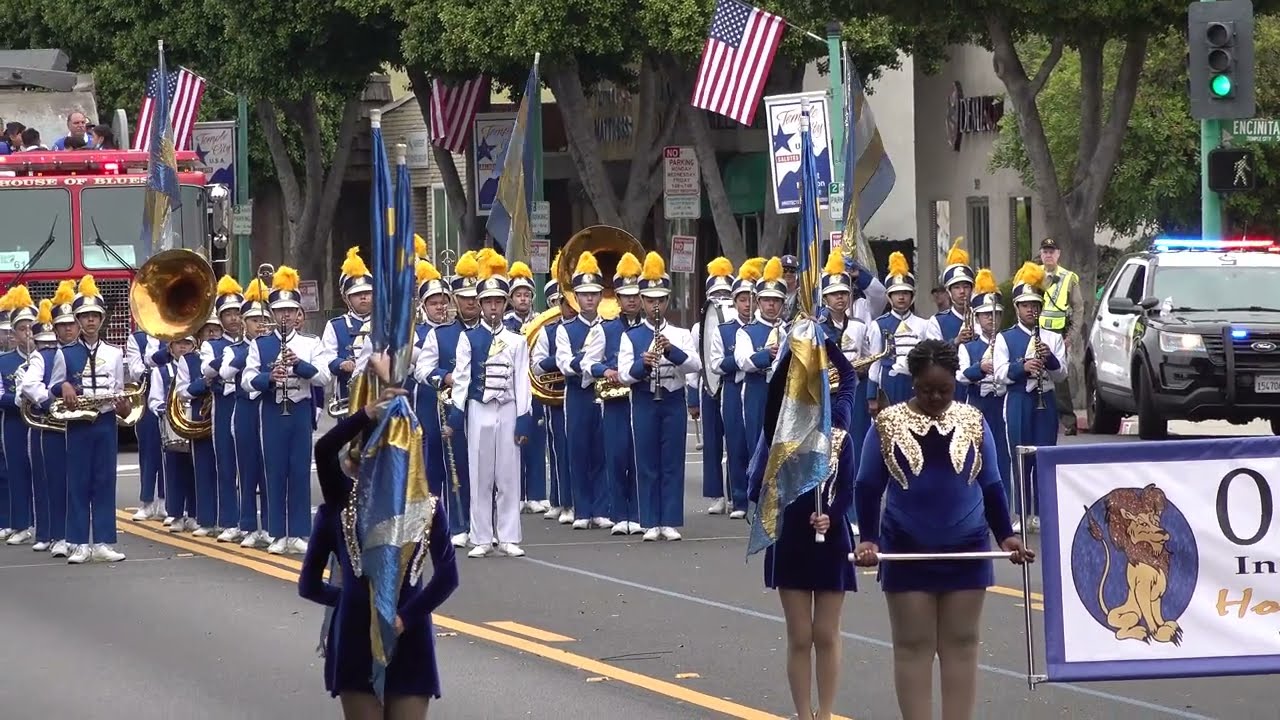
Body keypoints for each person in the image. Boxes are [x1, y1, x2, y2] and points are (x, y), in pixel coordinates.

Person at [853, 339, 1034, 720]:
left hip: (967, 546)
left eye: (944, 390)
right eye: (925, 390)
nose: (935, 398)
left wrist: (1006, 536)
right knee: (913, 645)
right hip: (905, 546)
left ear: (956, 382)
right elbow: (867, 486)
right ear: (912, 383)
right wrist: (867, 538)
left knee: (963, 643)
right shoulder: (886, 423)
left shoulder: (973, 421)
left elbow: (992, 485)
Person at [299, 376, 458, 720]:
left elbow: (448, 577)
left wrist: (394, 617)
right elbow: (324, 450)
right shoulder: (343, 502)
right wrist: (368, 412)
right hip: (365, 640)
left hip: (402, 638)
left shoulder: (427, 509)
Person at [747, 322, 860, 720]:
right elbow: (775, 388)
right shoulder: (779, 432)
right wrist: (798, 343)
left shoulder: (841, 425)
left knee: (827, 634)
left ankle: (825, 712)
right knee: (800, 634)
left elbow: (847, 488)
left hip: (830, 538)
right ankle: (802, 712)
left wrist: (825, 339)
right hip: (790, 536)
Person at [242, 266, 334, 555]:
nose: (285, 316)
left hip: (299, 410)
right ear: (272, 313)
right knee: (275, 471)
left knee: (298, 471)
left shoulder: (310, 343)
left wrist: (298, 365)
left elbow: (323, 377)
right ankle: (277, 533)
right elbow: (247, 380)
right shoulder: (261, 343)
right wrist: (269, 378)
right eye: (279, 311)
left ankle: (299, 532)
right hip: (271, 411)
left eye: (290, 311)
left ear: (298, 314)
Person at [447, 255, 532, 557]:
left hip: (508, 409)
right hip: (479, 409)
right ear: (480, 305)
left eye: (498, 301)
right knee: (480, 475)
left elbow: (523, 381)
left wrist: (524, 418)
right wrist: (455, 416)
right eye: (488, 302)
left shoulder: (517, 340)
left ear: (505, 303)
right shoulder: (468, 338)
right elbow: (460, 379)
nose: (493, 307)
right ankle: (481, 536)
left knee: (508, 474)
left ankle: (509, 536)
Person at [47, 275, 130, 564]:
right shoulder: (65, 352)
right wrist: (63, 386)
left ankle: (105, 541)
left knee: (105, 480)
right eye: (85, 317)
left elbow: (121, 390)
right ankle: (79, 542)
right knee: (78, 481)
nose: (91, 321)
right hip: (78, 422)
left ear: (102, 319)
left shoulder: (115, 353)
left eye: (95, 316)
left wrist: (123, 406)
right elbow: (53, 385)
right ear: (78, 321)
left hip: (105, 422)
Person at [617, 252, 701, 541]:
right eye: (649, 300)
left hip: (673, 400)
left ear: (666, 302)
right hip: (643, 401)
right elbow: (624, 374)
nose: (655, 305)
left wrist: (670, 352)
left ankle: (670, 520)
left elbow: (696, 366)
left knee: (672, 461)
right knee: (647, 460)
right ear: (641, 301)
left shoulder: (679, 333)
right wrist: (644, 364)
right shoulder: (630, 336)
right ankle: (650, 520)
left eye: (660, 300)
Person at [994, 262, 1067, 534]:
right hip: (1018, 401)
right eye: (1026, 305)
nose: (1031, 310)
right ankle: (1022, 513)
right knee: (1019, 457)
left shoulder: (1052, 337)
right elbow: (1000, 374)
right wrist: (1021, 367)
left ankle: (1043, 511)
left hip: (1045, 401)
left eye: (1035, 305)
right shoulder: (1005, 338)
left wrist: (1049, 359)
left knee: (1044, 456)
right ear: (1017, 308)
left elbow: (1061, 376)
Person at [414, 250, 480, 546]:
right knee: (442, 464)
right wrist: (445, 377)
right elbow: (422, 370)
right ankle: (450, 524)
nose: (469, 302)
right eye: (462, 297)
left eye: (473, 297)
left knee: (478, 464)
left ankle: (481, 523)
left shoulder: (490, 332)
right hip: (438, 405)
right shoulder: (438, 335)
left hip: (479, 406)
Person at [584, 252, 644, 535]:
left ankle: (640, 512)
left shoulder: (651, 328)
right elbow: (587, 362)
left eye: (635, 295)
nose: (631, 300)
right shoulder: (605, 328)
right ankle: (619, 513)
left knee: (641, 456)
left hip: (644, 398)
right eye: (625, 295)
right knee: (617, 455)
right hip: (615, 400)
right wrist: (605, 370)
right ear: (617, 299)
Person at [20, 281, 78, 557]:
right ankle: (56, 534)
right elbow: (29, 386)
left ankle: (77, 536)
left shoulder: (88, 353)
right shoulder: (44, 356)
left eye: (72, 324)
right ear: (55, 328)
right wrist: (50, 402)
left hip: (81, 426)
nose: (68, 329)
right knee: (53, 481)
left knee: (78, 483)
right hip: (53, 428)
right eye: (63, 325)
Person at [708, 258, 762, 519]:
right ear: (735, 301)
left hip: (756, 388)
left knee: (759, 443)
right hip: (731, 389)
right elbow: (716, 364)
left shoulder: (763, 328)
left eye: (752, 299)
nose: (747, 304)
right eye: (742, 299)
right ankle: (739, 499)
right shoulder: (724, 330)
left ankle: (758, 498)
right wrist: (743, 364)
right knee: (736, 443)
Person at [224, 279, 273, 548]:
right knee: (246, 468)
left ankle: (269, 524)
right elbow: (224, 373)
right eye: (254, 320)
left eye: (264, 319)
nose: (260, 325)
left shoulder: (273, 345)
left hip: (267, 408)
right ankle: (247, 525)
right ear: (243, 322)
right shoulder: (235, 349)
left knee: (268, 469)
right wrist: (249, 353)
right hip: (244, 409)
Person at [957, 269, 1012, 502]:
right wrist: (980, 369)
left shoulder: (1007, 340)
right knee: (976, 456)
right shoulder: (969, 346)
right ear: (977, 318)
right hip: (978, 403)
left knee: (1003, 455)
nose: (991, 318)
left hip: (1003, 404)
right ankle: (976, 503)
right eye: (986, 315)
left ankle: (1006, 503)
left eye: (996, 314)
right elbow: (960, 375)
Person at [734, 257, 789, 480]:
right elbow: (743, 361)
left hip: (784, 393)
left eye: (776, 301)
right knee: (758, 445)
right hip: (757, 391)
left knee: (783, 447)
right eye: (766, 300)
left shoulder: (790, 330)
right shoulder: (746, 331)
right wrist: (767, 355)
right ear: (758, 302)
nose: (771, 305)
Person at [502, 261, 548, 514]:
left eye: (527, 294)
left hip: (536, 386)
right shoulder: (506, 322)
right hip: (512, 387)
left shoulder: (541, 320)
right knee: (514, 441)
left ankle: (537, 494)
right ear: (511, 298)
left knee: (537, 440)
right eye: (518, 295)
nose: (523, 299)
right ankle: (517, 495)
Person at [201, 277, 245, 542]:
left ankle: (250, 521)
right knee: (226, 462)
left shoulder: (252, 341)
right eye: (227, 314)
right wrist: (230, 355)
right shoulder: (212, 344)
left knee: (249, 464)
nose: (233, 319)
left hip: (246, 402)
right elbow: (207, 370)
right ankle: (229, 520)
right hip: (224, 404)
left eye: (237, 313)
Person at [690, 257, 734, 515]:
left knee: (735, 441)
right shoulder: (700, 327)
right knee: (712, 442)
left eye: (725, 294)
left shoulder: (735, 324)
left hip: (729, 385)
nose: (719, 299)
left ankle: (734, 492)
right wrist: (692, 399)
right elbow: (698, 363)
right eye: (715, 294)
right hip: (707, 387)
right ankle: (716, 494)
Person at [530, 275, 574, 523]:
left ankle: (579, 501)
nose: (567, 306)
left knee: (581, 450)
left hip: (582, 392)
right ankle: (560, 499)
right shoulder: (548, 331)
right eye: (561, 301)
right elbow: (536, 367)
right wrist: (560, 360)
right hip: (556, 395)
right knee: (559, 449)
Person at [867, 252, 928, 411]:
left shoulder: (923, 324)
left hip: (916, 382)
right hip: (889, 382)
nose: (901, 297)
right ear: (889, 296)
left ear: (912, 296)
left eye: (905, 293)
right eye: (896, 293)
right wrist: (871, 396)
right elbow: (874, 362)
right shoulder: (878, 325)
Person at [0, 286, 37, 545]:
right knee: (15, 471)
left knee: (43, 473)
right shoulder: (3, 361)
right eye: (22, 329)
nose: (27, 333)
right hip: (13, 422)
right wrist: (15, 400)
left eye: (31, 328)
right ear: (13, 333)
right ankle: (19, 522)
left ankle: (42, 524)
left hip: (41, 423)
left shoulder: (45, 357)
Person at [1036, 238, 1083, 435]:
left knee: (1060, 377)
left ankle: (1068, 421)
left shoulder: (1068, 277)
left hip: (1059, 333)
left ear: (1058, 254)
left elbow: (1078, 308)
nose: (1048, 255)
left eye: (1051, 251)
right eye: (1045, 251)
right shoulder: (1032, 275)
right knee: (1035, 375)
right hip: (1036, 332)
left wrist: (1070, 337)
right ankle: (1040, 417)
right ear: (1040, 253)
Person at [152, 337, 198, 532]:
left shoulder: (198, 368)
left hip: (194, 424)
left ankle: (194, 514)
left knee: (195, 472)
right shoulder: (160, 371)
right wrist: (166, 411)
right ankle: (176, 514)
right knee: (173, 471)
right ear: (170, 348)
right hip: (172, 428)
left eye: (187, 344)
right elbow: (154, 401)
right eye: (178, 344)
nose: (182, 347)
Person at [324, 248, 374, 418]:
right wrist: (341, 364)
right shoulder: (335, 326)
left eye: (367, 293)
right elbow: (327, 358)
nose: (363, 298)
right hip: (348, 395)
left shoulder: (385, 323)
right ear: (346, 298)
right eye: (357, 294)